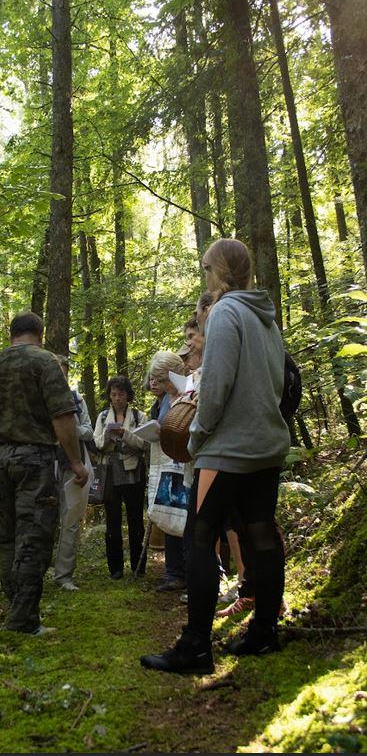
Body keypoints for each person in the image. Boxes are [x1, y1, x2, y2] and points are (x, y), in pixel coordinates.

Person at [141, 238, 290, 673]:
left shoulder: (225, 311)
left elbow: (217, 382)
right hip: (267, 444)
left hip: (230, 447)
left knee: (203, 536)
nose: (205, 273)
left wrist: (199, 436)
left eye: (207, 267)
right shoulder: (266, 316)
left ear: (219, 270)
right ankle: (265, 632)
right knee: (260, 533)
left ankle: (196, 648)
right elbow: (279, 381)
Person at [0, 312, 88, 635]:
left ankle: (14, 607)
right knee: (33, 537)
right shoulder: (45, 363)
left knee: (7, 534)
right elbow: (63, 416)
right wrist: (76, 463)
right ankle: (23, 618)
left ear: (12, 334)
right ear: (40, 332)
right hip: (33, 457)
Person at [93, 376, 148, 579]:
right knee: (112, 522)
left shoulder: (139, 416)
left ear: (128, 395)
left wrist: (124, 433)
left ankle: (138, 566)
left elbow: (144, 443)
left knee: (135, 521)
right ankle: (115, 569)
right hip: (109, 473)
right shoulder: (101, 417)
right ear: (109, 396)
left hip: (134, 471)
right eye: (114, 394)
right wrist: (108, 436)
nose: (117, 398)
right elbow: (96, 443)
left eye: (121, 393)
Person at [147, 351, 188, 592]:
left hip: (186, 465)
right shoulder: (165, 400)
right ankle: (174, 573)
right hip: (168, 465)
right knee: (171, 515)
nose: (161, 386)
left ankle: (190, 573)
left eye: (163, 381)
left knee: (188, 519)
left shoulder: (190, 392)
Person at [53, 355, 94, 591]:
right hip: (48, 464)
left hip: (74, 465)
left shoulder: (77, 399)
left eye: (64, 372)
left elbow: (88, 431)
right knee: (45, 521)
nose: (61, 376)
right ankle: (37, 573)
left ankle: (64, 576)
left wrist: (70, 429)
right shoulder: (40, 398)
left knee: (71, 520)